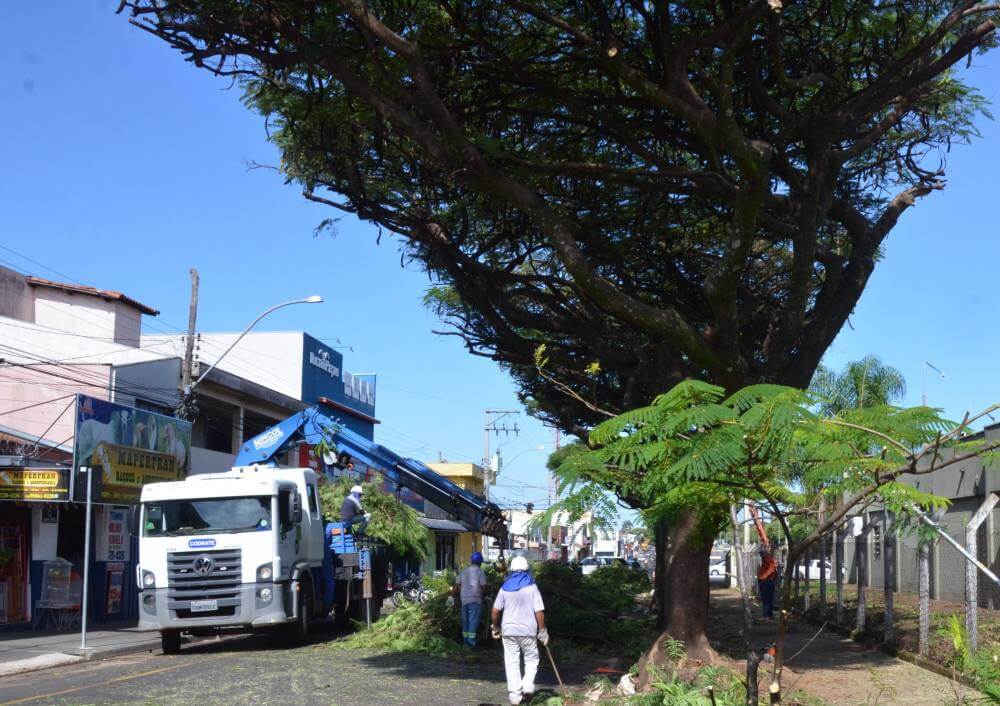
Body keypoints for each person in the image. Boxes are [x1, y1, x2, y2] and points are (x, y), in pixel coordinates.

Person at [491, 556, 548, 705]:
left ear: (512, 570)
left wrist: (495, 626)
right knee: (531, 658)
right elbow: (539, 611)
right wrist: (542, 631)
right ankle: (528, 685)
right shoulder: (532, 587)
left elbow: (496, 610)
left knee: (512, 662)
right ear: (527, 570)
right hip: (528, 630)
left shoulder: (505, 587)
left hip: (508, 631)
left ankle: (515, 697)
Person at [448, 551, 488, 647]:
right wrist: (483, 597)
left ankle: (465, 643)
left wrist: (451, 597)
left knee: (465, 622)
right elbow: (483, 587)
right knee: (473, 622)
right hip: (475, 600)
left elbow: (457, 586)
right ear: (480, 562)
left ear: (471, 561)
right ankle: (471, 643)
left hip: (464, 600)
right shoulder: (480, 572)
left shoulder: (464, 571)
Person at [757, 547, 777, 619]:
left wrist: (763, 577)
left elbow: (771, 570)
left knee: (767, 599)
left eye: (761, 553)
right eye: (760, 553)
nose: (760, 555)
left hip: (767, 582)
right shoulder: (765, 559)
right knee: (766, 599)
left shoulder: (768, 559)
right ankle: (768, 615)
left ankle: (767, 616)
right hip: (765, 581)